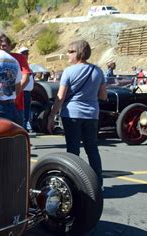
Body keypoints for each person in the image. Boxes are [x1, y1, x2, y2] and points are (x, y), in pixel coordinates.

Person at [47, 40, 107, 187]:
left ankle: (73, 182)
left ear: (78, 53)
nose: (67, 54)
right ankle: (97, 183)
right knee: (92, 149)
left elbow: (60, 97)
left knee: (73, 150)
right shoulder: (98, 71)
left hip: (72, 113)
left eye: (70, 51)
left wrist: (51, 115)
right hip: (92, 114)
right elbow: (103, 96)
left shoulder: (69, 71)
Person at [0, 34, 32, 129]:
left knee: (17, 133)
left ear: (10, 47)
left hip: (16, 105)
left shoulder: (19, 58)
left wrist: (14, 94)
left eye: (5, 46)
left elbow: (26, 77)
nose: (2, 48)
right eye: (0, 46)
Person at [18, 46, 35, 131]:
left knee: (26, 114)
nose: (26, 55)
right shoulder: (19, 66)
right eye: (23, 53)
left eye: (27, 53)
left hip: (27, 93)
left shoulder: (29, 67)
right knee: (22, 114)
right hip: (21, 92)